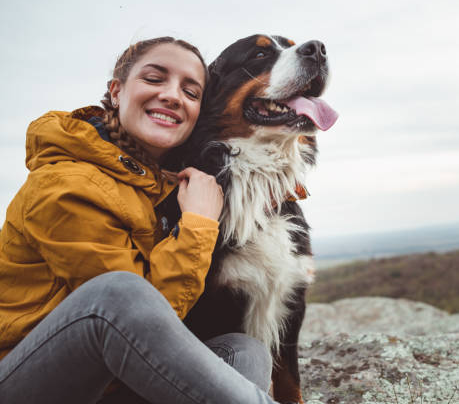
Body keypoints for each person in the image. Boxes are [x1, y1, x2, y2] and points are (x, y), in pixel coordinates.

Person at [0, 37, 279, 404]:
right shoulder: (67, 184)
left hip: (109, 383)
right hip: (28, 382)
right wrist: (198, 222)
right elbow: (137, 319)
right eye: (154, 78)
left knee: (242, 351)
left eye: (191, 92)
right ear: (116, 92)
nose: (172, 95)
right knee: (116, 293)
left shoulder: (155, 182)